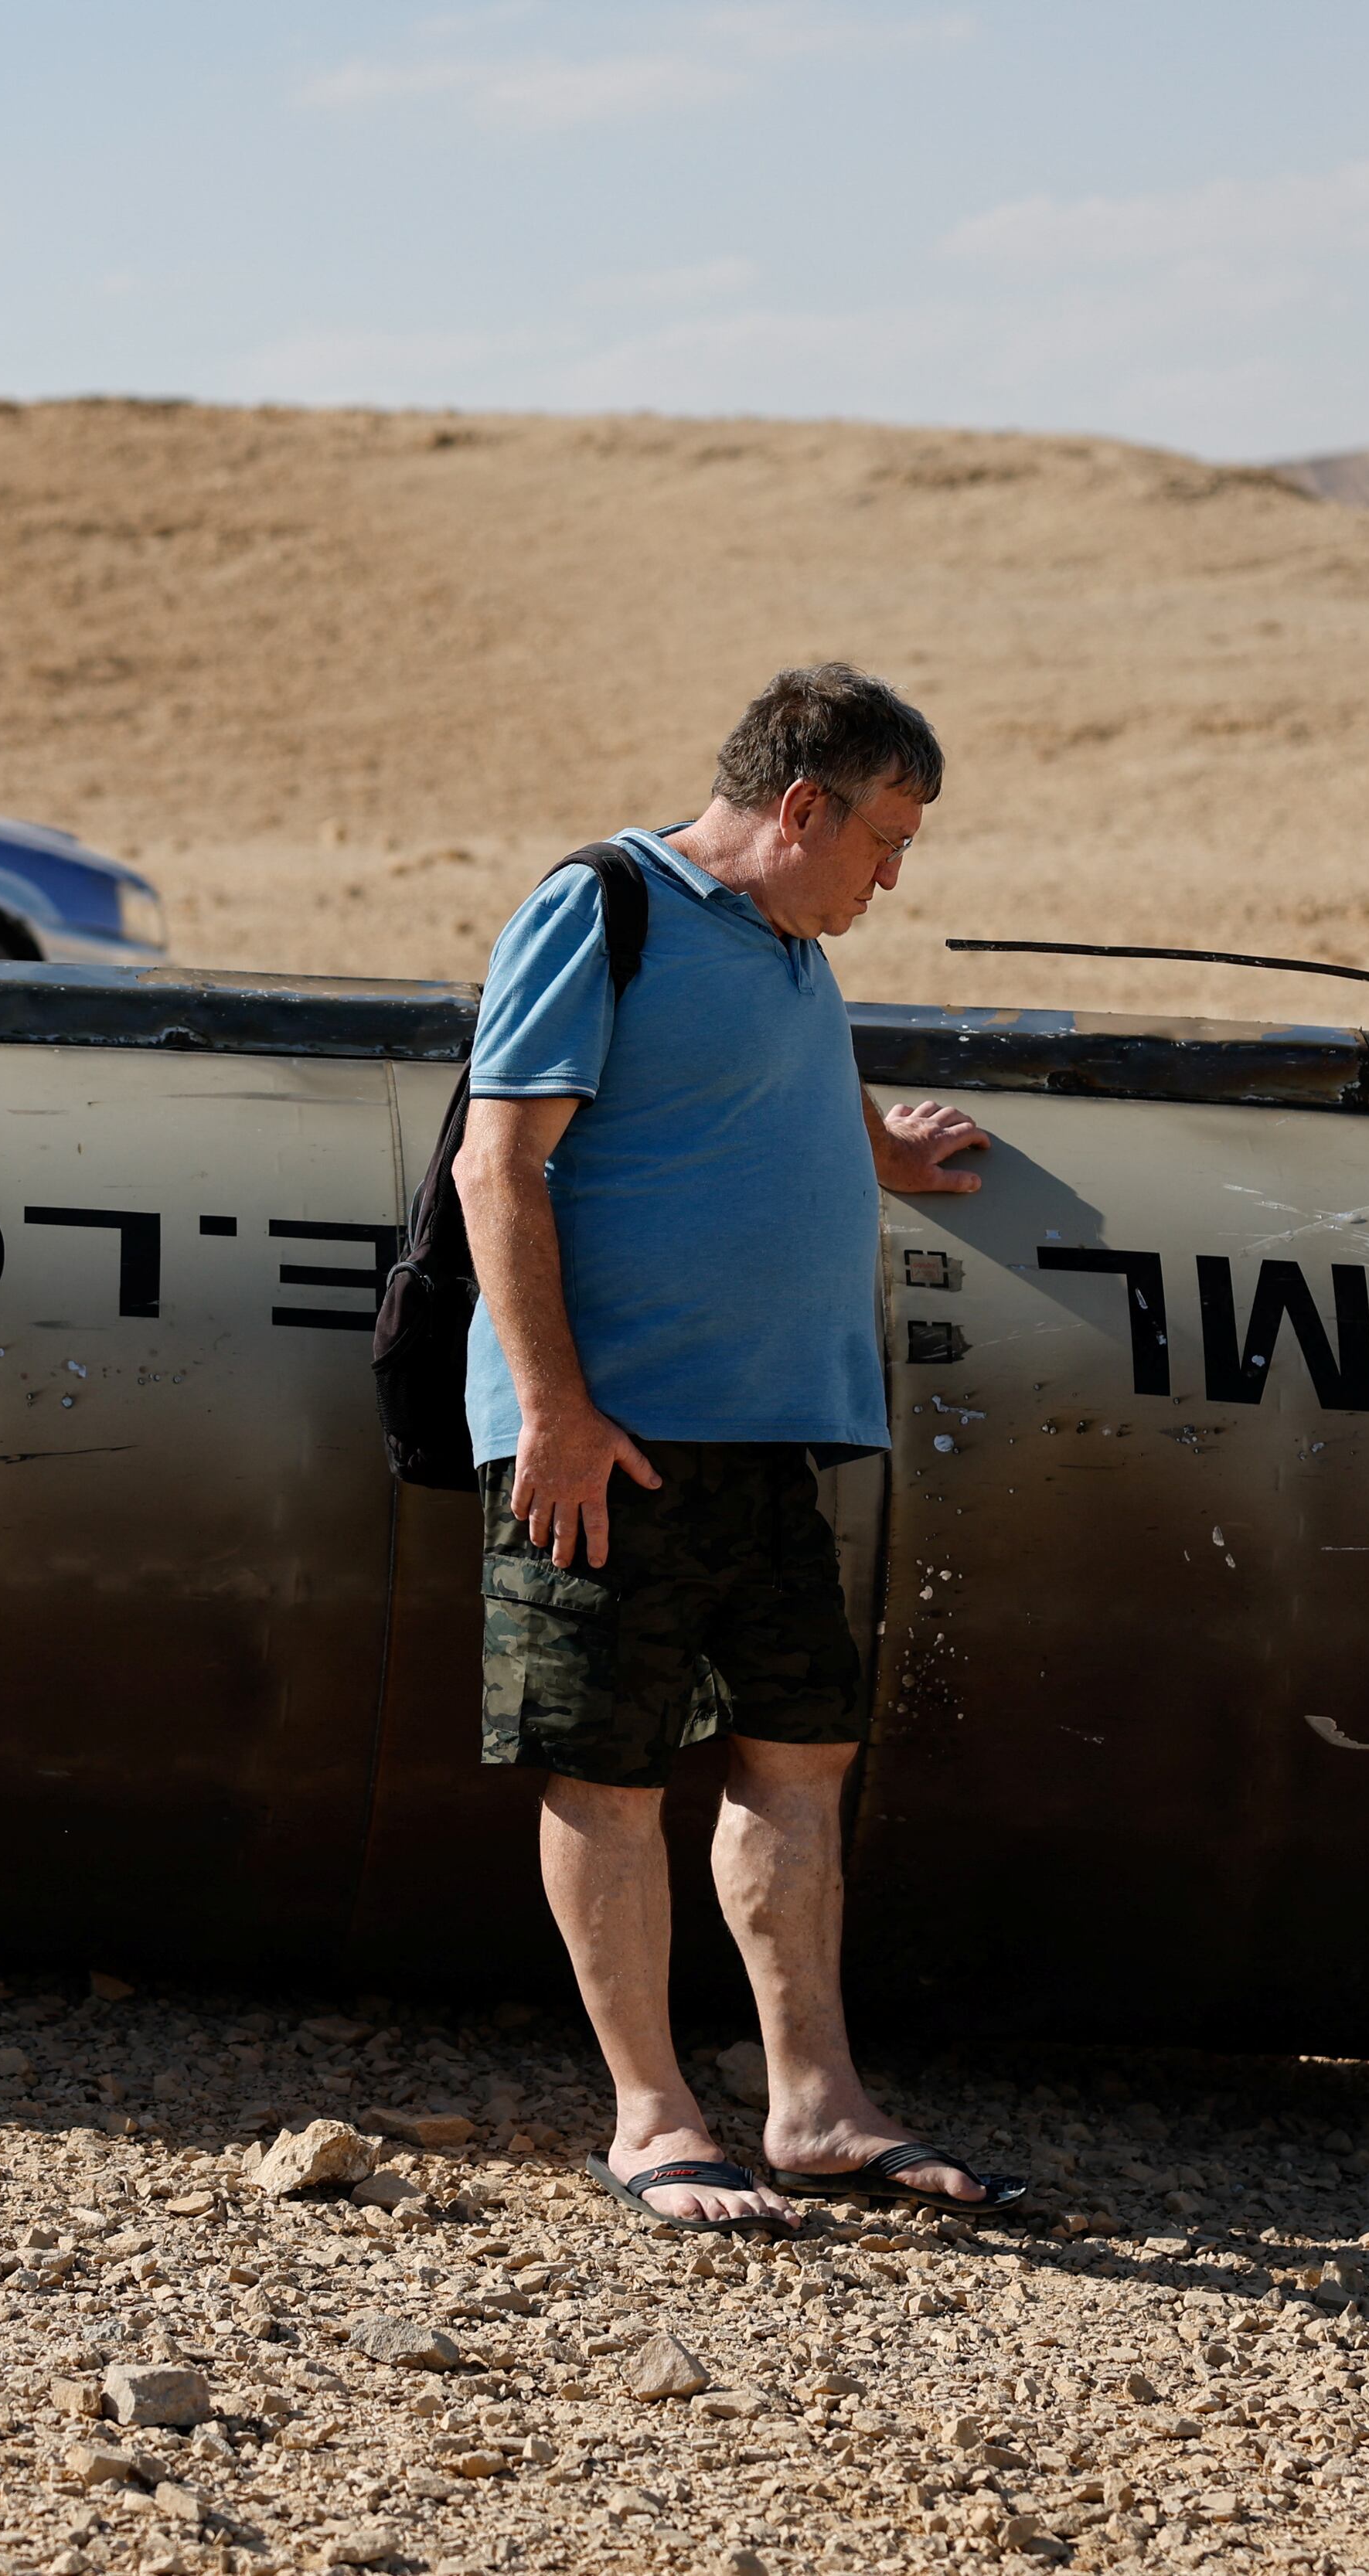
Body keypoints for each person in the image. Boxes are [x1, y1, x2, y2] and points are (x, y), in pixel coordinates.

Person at [457, 662, 1010, 2236]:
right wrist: (554, 1412)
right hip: (608, 1443)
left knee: (798, 1751)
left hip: (773, 1432)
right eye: (884, 842)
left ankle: (816, 2105)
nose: (891, 878)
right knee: (606, 1766)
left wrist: (879, 1146)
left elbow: (749, 1094)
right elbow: (502, 1165)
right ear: (798, 808)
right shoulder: (601, 906)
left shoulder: (789, 948)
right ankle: (650, 2121)